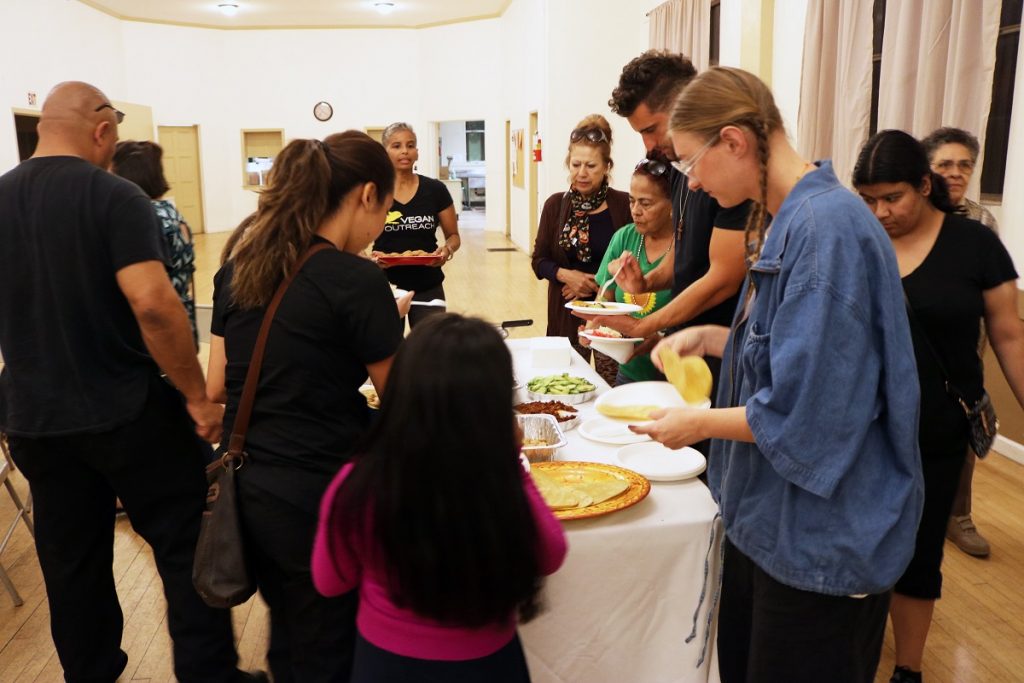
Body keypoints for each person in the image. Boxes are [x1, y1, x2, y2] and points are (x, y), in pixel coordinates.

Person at [633, 68, 924, 683]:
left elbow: (807, 415)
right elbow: (795, 351)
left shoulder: (826, 232)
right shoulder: (791, 217)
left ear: (734, 141)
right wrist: (717, 339)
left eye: (692, 166)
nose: (698, 187)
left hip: (819, 545)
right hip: (774, 530)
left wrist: (693, 423)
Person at [0, 82, 260, 682]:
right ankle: (209, 674)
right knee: (180, 546)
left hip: (36, 421)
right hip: (125, 412)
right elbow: (153, 304)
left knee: (71, 562)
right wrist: (197, 396)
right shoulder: (114, 196)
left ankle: (90, 674)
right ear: (102, 129)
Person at [207, 131, 409, 681]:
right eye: (386, 210)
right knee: (327, 643)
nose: (380, 228)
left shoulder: (238, 266)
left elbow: (218, 385)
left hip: (249, 487)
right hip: (317, 490)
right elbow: (405, 400)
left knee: (291, 631)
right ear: (368, 194)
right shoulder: (356, 279)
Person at [853, 130, 1024, 683]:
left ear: (925, 186)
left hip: (937, 428)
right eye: (868, 199)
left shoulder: (974, 245)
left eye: (893, 197)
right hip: (863, 426)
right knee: (859, 541)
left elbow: (1010, 336)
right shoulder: (858, 242)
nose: (881, 212)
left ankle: (908, 668)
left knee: (921, 550)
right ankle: (851, 651)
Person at [312, 313, 567, 682]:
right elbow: (551, 554)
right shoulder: (497, 482)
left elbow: (329, 581)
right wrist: (512, 459)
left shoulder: (361, 480)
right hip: (488, 662)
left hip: (384, 661)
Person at [590, 50, 747, 399]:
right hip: (683, 346)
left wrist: (645, 325)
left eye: (651, 129)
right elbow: (683, 251)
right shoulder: (678, 171)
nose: (648, 147)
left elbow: (721, 280)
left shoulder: (730, 176)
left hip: (722, 353)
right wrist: (647, 280)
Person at [921, 126, 999, 558]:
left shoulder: (983, 221)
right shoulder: (910, 215)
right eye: (945, 164)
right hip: (915, 350)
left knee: (963, 431)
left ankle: (958, 515)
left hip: (964, 350)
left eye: (964, 165)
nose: (956, 173)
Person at [530, 114, 631, 381]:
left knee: (613, 386)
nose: (581, 173)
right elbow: (539, 260)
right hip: (567, 312)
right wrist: (568, 275)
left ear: (607, 166)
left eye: (591, 166)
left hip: (611, 315)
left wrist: (596, 284)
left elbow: (636, 259)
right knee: (566, 382)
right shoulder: (555, 206)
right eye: (575, 165)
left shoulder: (623, 206)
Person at [591, 152, 675, 385]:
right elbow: (604, 296)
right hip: (630, 370)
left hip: (674, 375)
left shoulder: (684, 247)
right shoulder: (625, 238)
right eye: (631, 200)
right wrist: (592, 330)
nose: (635, 210)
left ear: (672, 204)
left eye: (645, 203)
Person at [371, 122, 460, 327]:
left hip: (428, 283)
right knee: (387, 349)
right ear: (385, 152)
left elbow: (453, 236)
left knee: (431, 348)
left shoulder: (435, 190)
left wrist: (446, 250)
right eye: (396, 146)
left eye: (410, 145)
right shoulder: (375, 192)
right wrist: (368, 260)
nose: (405, 151)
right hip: (385, 284)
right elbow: (353, 237)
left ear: (417, 152)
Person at [112, 140, 199, 346]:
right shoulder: (169, 212)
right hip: (181, 325)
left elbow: (148, 299)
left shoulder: (143, 217)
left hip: (156, 338)